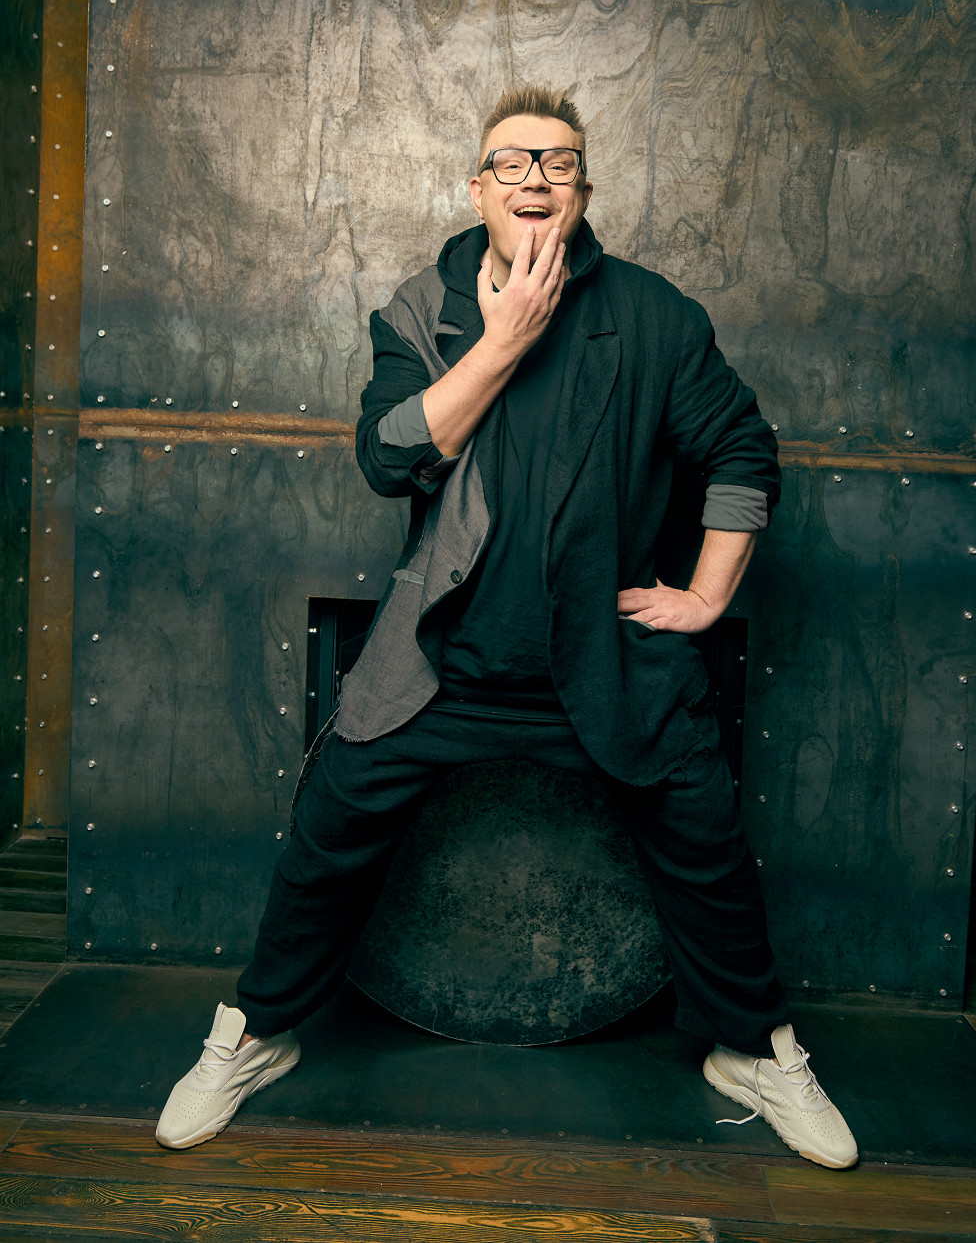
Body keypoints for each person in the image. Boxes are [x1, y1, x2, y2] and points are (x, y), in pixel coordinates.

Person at [156, 85, 857, 1170]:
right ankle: (256, 1033)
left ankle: (755, 1051)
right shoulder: (420, 309)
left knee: (707, 845)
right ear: (477, 188)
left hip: (604, 663)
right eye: (513, 161)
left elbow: (741, 450)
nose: (536, 176)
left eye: (559, 161)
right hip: (445, 662)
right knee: (328, 833)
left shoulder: (654, 315)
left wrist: (707, 595)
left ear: (582, 191)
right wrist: (501, 342)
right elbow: (389, 457)